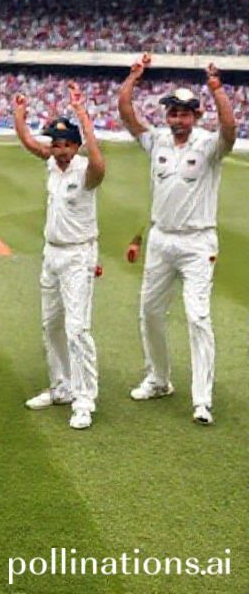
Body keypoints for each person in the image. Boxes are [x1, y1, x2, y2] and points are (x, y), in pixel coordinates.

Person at [118, 55, 236, 425]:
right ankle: (159, 379)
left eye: (185, 114)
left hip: (198, 244)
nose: (178, 120)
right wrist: (133, 78)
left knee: (198, 316)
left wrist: (217, 92)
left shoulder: (208, 145)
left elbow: (230, 131)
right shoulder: (157, 142)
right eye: (173, 113)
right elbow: (127, 114)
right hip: (160, 240)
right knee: (150, 313)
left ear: (196, 117)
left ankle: (202, 400)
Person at [13, 81, 104, 430]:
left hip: (79, 256)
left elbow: (99, 162)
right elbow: (30, 144)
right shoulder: (53, 163)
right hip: (51, 254)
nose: (60, 150)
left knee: (77, 328)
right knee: (51, 325)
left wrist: (82, 112)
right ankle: (61, 387)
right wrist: (20, 115)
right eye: (56, 144)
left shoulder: (86, 171)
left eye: (67, 145)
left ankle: (84, 399)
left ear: (76, 146)